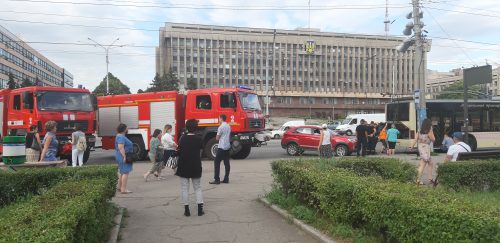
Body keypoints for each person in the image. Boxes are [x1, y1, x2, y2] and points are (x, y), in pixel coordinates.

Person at [176, 119, 204, 217]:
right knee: (197, 187)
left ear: (186, 127)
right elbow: (201, 151)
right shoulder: (199, 138)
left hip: (183, 166)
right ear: (196, 127)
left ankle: (186, 210)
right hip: (196, 165)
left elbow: (178, 151)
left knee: (184, 188)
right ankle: (200, 210)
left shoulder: (182, 138)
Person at [410, 119, 436, 185]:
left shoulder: (419, 131)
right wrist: (432, 133)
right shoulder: (429, 131)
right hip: (426, 148)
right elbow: (433, 139)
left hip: (421, 147)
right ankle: (418, 180)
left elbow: (415, 139)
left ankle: (430, 179)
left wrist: (412, 146)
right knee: (423, 164)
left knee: (430, 163)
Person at [210, 114, 231, 184]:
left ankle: (217, 179)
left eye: (219, 118)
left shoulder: (220, 127)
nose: (219, 119)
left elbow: (217, 138)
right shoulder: (228, 126)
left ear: (221, 119)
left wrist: (217, 135)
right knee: (226, 163)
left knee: (216, 162)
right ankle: (226, 178)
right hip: (227, 146)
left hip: (221, 146)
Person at [115, 123, 133, 194]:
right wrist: (124, 156)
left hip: (120, 155)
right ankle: (123, 189)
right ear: (124, 129)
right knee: (125, 172)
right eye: (126, 128)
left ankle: (120, 187)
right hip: (122, 155)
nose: (127, 129)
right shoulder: (121, 137)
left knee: (122, 172)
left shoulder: (120, 136)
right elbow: (121, 147)